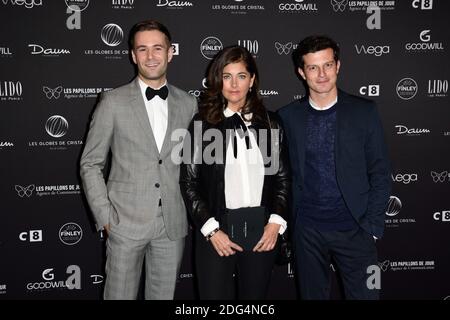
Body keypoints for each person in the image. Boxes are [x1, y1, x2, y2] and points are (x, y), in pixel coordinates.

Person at [80, 20, 197, 300]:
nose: (150, 56)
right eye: (142, 49)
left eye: (158, 48)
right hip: (125, 223)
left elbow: (194, 165)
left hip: (172, 225)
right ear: (133, 55)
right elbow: (90, 164)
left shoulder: (188, 103)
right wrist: (107, 218)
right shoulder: (113, 102)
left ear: (170, 53)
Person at [278, 35, 391, 300]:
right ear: (301, 72)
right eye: (313, 67)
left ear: (338, 66)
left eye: (327, 65)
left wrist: (371, 227)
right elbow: (281, 176)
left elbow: (380, 172)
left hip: (355, 230)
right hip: (307, 232)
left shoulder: (364, 111)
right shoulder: (287, 117)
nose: (321, 74)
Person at [180, 46, 290, 299]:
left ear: (252, 80)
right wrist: (211, 230)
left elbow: (283, 179)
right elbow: (188, 182)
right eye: (227, 76)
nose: (234, 84)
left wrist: (275, 224)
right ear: (218, 80)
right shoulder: (202, 124)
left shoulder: (270, 123)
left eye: (241, 76)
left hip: (262, 230)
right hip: (216, 229)